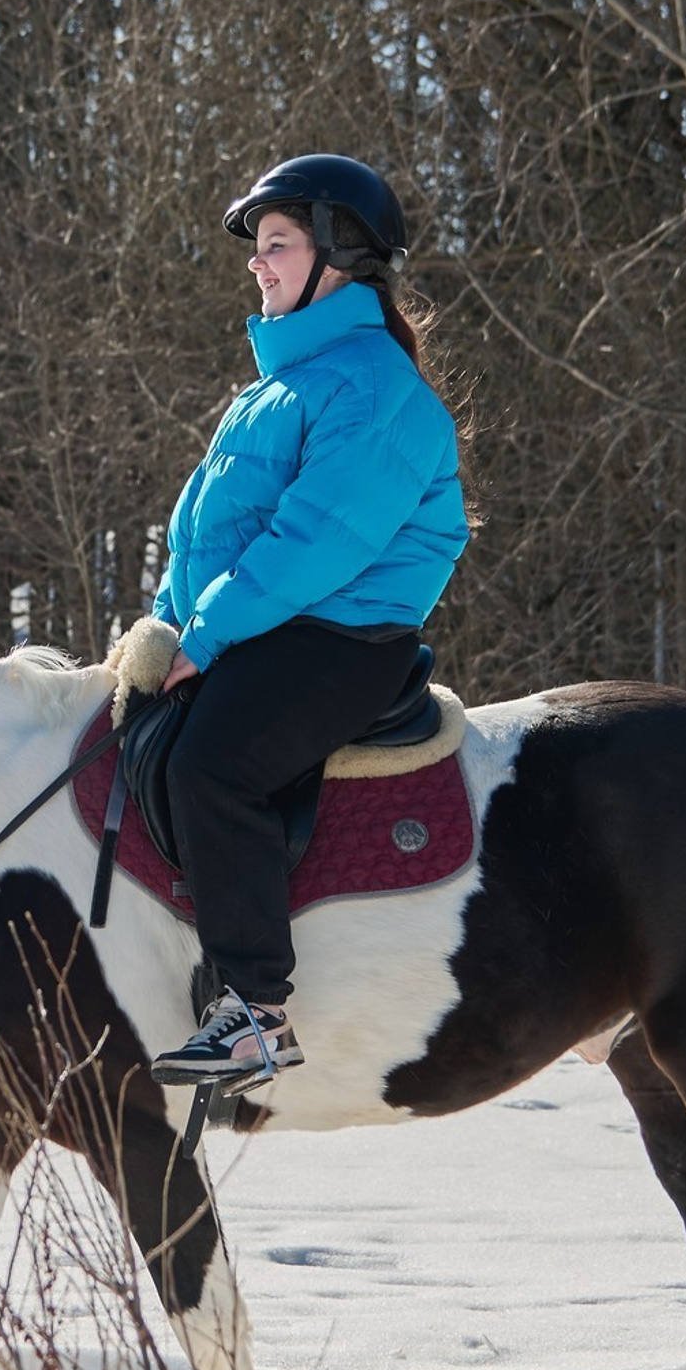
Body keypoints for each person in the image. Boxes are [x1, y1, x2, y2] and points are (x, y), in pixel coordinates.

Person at [142, 155, 469, 1086]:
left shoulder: (370, 389)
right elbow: (208, 540)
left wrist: (202, 638)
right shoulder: (281, 387)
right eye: (261, 248)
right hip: (273, 626)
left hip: (340, 636)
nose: (258, 263)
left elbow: (312, 543)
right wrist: (166, 629)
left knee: (214, 765)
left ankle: (253, 1012)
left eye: (277, 243)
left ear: (338, 258)